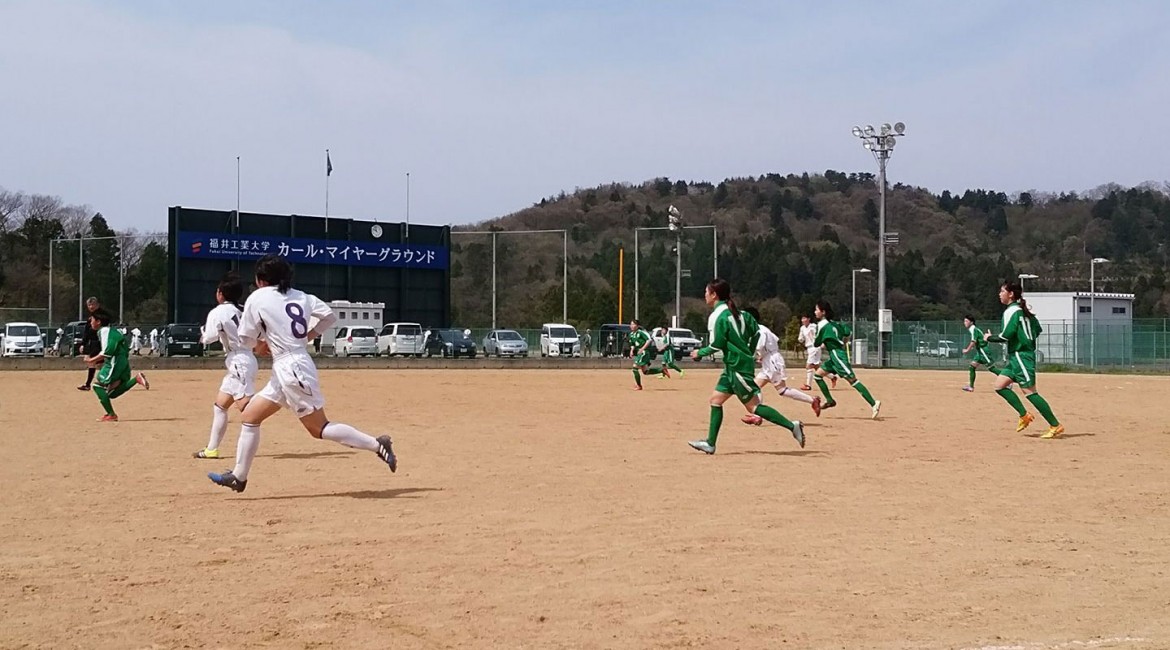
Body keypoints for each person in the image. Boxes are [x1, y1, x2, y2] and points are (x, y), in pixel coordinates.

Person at [208, 254, 397, 493]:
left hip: (291, 369)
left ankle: (377, 444)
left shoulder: (258, 297)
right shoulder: (301, 296)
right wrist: (307, 336)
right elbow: (330, 316)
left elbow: (246, 340)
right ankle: (239, 477)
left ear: (261, 279)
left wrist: (262, 343)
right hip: (291, 365)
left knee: (319, 429)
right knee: (250, 417)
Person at [687, 279, 805, 454]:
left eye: (706, 292)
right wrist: (748, 353)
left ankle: (792, 426)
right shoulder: (743, 314)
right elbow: (757, 334)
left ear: (714, 295)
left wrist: (699, 353)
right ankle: (710, 443)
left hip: (736, 367)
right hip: (734, 366)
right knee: (716, 401)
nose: (704, 295)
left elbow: (717, 344)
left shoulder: (717, 316)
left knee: (753, 408)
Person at [984, 281, 1064, 438]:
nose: (999, 294)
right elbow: (1037, 329)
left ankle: (1055, 425)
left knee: (1030, 392)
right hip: (1017, 356)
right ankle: (1024, 415)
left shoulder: (1011, 312)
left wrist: (989, 338)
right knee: (999, 385)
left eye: (1002, 291)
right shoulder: (1024, 312)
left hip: (1021, 355)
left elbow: (1005, 335)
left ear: (1011, 294)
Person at [193, 272, 259, 460]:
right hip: (243, 360)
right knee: (220, 405)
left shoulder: (218, 312)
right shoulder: (242, 310)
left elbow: (210, 337)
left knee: (248, 409)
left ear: (221, 293)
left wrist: (203, 335)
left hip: (239, 361)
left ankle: (276, 401)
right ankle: (211, 449)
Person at [739, 307, 821, 424]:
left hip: (772, 361)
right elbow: (773, 341)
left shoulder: (759, 330)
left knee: (782, 390)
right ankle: (756, 415)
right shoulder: (760, 329)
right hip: (769, 360)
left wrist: (756, 354)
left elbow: (759, 346)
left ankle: (813, 400)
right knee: (754, 387)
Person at [812, 300, 881, 419]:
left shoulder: (821, 325)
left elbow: (816, 343)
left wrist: (821, 340)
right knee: (817, 375)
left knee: (853, 380)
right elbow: (848, 332)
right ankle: (830, 400)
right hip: (835, 355)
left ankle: (874, 403)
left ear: (823, 312)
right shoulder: (835, 324)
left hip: (837, 356)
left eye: (816, 310)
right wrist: (842, 342)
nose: (815, 312)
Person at [83, 309, 150, 421]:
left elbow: (107, 352)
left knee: (97, 386)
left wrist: (91, 360)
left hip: (115, 362)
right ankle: (136, 379)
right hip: (122, 361)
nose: (90, 323)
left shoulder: (104, 331)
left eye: (92, 320)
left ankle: (111, 414)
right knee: (111, 394)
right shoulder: (112, 331)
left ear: (98, 321)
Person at [960, 314, 998, 392]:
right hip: (980, 351)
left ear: (971, 322)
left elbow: (973, 341)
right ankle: (971, 387)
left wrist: (967, 350)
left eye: (966, 321)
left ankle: (1008, 381)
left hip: (983, 351)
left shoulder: (973, 329)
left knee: (992, 368)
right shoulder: (973, 329)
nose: (965, 323)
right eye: (964, 321)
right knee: (972, 366)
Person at [628, 319, 668, 390]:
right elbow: (632, 344)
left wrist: (642, 348)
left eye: (633, 324)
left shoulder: (641, 332)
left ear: (637, 326)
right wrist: (631, 350)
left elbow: (649, 340)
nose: (632, 326)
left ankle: (639, 386)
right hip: (640, 353)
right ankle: (661, 370)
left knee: (635, 368)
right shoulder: (631, 334)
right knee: (645, 371)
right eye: (631, 324)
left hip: (644, 352)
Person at [77, 297, 102, 390]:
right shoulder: (91, 318)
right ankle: (89, 384)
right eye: (89, 305)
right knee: (96, 363)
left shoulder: (101, 317)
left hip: (99, 343)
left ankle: (89, 384)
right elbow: (86, 332)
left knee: (94, 362)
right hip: (93, 343)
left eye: (93, 304)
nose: (91, 306)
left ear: (97, 305)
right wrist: (83, 343)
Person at [797, 314, 820, 390]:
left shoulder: (813, 326)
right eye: (802, 318)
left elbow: (819, 334)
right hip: (809, 348)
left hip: (815, 347)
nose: (803, 320)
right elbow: (800, 338)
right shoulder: (802, 328)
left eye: (804, 318)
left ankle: (808, 385)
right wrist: (801, 340)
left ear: (809, 319)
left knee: (809, 366)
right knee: (816, 366)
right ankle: (832, 377)